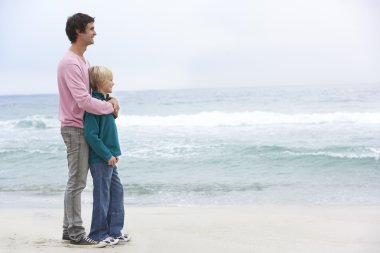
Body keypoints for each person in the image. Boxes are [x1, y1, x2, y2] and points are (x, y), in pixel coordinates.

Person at [57, 13, 120, 248]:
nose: (95, 32)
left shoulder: (84, 61)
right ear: (78, 32)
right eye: (91, 28)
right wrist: (108, 107)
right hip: (74, 127)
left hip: (81, 125)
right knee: (77, 181)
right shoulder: (70, 63)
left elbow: (95, 90)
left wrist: (111, 99)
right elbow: (83, 101)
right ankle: (75, 232)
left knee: (78, 181)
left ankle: (68, 229)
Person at [84, 66, 130, 245]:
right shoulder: (93, 106)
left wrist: (113, 103)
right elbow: (91, 135)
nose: (113, 82)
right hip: (101, 159)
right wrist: (106, 155)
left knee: (117, 193)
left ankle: (114, 231)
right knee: (102, 197)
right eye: (110, 80)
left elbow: (107, 125)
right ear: (101, 82)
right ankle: (97, 234)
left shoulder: (106, 103)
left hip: (110, 158)